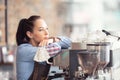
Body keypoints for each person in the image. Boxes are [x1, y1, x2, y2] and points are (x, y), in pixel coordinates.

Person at [16, 15, 71, 80]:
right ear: (30, 34)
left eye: (47, 29)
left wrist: (52, 40)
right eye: (41, 30)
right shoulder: (24, 50)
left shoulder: (41, 47)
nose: (46, 33)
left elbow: (69, 42)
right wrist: (54, 41)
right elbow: (56, 48)